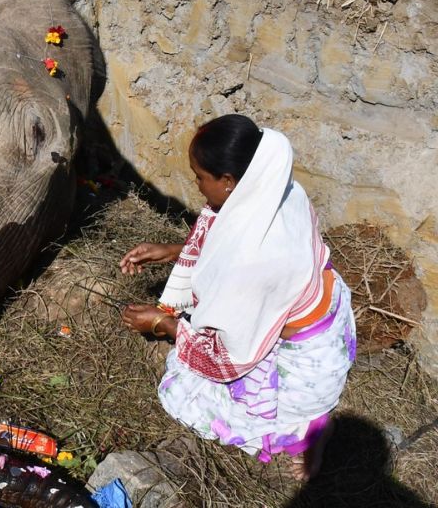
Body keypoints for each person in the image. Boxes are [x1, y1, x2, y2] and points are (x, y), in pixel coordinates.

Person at [119, 114, 356, 481]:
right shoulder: (280, 189)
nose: (197, 186)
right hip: (329, 307)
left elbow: (227, 358)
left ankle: (307, 432)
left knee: (184, 392)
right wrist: (172, 251)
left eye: (200, 176)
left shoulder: (251, 263)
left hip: (309, 358)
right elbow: (226, 234)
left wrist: (163, 323)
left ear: (229, 181)